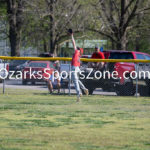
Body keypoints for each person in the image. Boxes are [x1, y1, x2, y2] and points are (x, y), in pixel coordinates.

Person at [68, 29, 89, 102]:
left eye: (78, 49)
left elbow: (73, 43)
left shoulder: (76, 52)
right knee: (77, 80)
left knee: (75, 82)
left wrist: (72, 36)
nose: (76, 48)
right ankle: (84, 89)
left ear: (79, 51)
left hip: (74, 68)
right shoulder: (79, 56)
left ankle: (79, 94)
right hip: (77, 69)